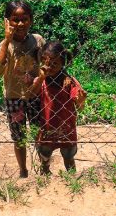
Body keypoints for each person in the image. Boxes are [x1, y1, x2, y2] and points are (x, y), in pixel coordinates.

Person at [0, 0, 45, 178]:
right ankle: (23, 171)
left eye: (25, 19)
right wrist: (7, 40)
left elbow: (47, 64)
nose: (20, 24)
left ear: (31, 20)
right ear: (7, 21)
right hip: (14, 99)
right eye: (15, 19)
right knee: (19, 138)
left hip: (36, 95)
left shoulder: (37, 40)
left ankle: (44, 168)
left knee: (40, 134)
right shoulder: (4, 46)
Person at [31, 41, 87, 175]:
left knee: (68, 156)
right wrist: (41, 78)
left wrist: (81, 101)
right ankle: (45, 174)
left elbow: (79, 106)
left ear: (63, 64)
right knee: (44, 155)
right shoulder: (41, 81)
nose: (48, 66)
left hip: (66, 129)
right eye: (44, 61)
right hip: (47, 128)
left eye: (54, 64)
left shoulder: (69, 82)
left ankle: (72, 178)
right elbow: (31, 94)